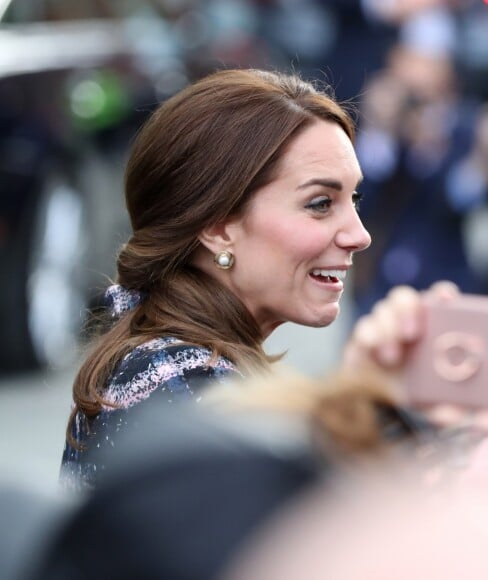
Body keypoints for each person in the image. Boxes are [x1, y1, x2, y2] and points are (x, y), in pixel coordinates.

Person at [60, 66, 380, 492]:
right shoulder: (188, 393)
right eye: (321, 203)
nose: (359, 235)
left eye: (353, 198)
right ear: (216, 226)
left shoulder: (172, 364)